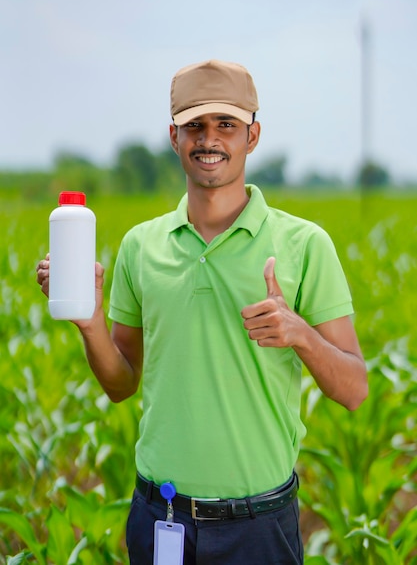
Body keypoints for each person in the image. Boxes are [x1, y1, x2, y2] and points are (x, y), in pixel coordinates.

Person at [37, 59, 368, 565]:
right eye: (194, 125)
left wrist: (300, 334)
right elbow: (121, 383)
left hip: (259, 525)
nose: (208, 139)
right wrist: (90, 321)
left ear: (252, 136)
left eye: (226, 125)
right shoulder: (141, 246)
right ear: (174, 137)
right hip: (161, 519)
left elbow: (355, 389)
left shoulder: (304, 245)